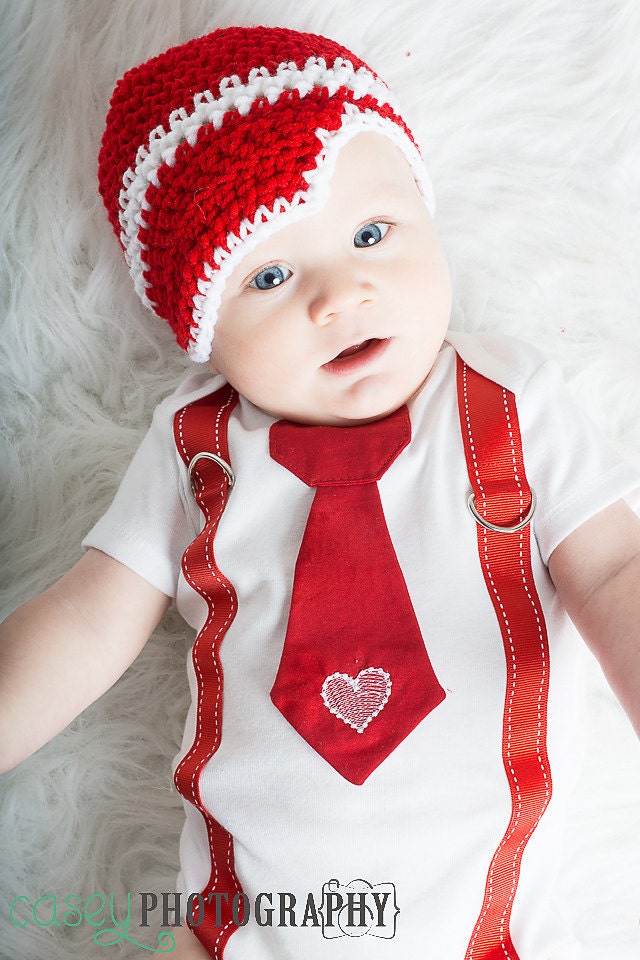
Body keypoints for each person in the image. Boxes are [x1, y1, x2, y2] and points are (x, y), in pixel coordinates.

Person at [1, 24, 639, 960]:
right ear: (202, 330)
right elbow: (93, 618)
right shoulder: (195, 447)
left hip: (490, 926)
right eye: (267, 274)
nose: (340, 295)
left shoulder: (510, 406)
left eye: (372, 234)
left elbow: (615, 567)